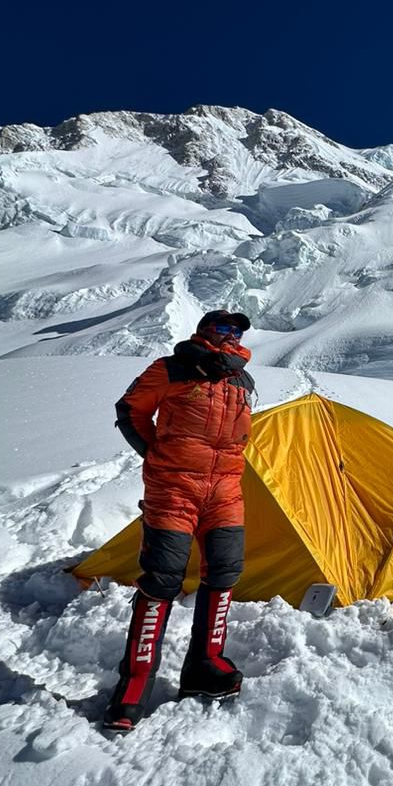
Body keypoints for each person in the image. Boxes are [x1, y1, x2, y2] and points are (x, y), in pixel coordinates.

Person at [102, 310, 255, 732]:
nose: (231, 334)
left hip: (225, 491)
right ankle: (134, 683)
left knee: (224, 572)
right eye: (223, 327)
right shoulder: (170, 368)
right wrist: (156, 454)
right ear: (205, 329)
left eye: (237, 329)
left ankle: (205, 665)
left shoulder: (242, 380)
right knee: (163, 578)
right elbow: (130, 411)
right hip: (174, 490)